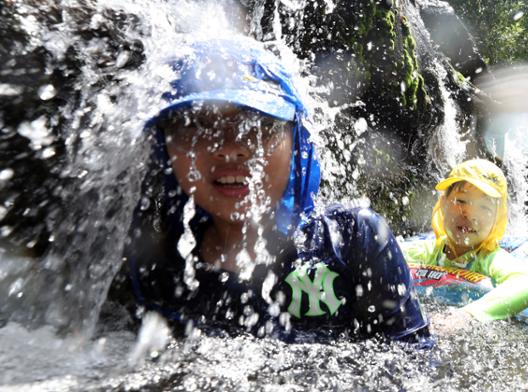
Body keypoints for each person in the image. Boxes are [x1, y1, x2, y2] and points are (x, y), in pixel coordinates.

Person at [111, 37, 430, 345]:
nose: (230, 148)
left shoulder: (353, 240)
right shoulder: (159, 266)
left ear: (297, 140)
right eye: (198, 124)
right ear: (166, 147)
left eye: (258, 124)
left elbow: (414, 362)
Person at [401, 159, 528, 327]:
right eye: (461, 201)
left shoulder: (491, 259)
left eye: (485, 208)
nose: (470, 214)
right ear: (443, 204)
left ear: (497, 219)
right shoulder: (427, 252)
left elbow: (527, 287)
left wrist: (467, 315)